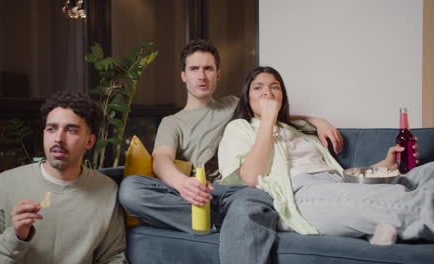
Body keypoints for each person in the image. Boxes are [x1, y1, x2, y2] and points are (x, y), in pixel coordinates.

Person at [119, 40, 344, 263]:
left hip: (239, 192)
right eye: (194, 69)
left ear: (218, 74)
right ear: (183, 76)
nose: (202, 76)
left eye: (208, 68)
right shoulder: (172, 122)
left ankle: (237, 220)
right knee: (130, 189)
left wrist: (315, 120)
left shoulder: (233, 105)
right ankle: (233, 223)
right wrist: (182, 184)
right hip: (198, 195)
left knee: (249, 203)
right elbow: (161, 160)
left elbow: (271, 113)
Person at [218, 66, 434, 245]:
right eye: (258, 88)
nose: (268, 92)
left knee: (428, 173)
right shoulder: (240, 128)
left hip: (339, 183)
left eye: (275, 87)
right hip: (301, 194)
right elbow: (251, 177)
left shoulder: (294, 129)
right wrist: (267, 120)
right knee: (407, 202)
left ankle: (378, 227)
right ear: (247, 97)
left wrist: (383, 166)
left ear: (282, 96)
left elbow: (339, 178)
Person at [0, 91, 128, 263]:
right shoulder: (3, 185)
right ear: (44, 134)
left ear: (89, 141)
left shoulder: (107, 190)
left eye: (71, 130)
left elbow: (113, 258)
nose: (59, 138)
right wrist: (15, 237)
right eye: (51, 129)